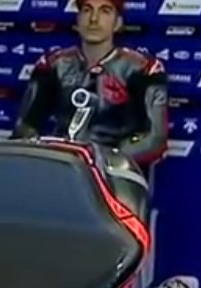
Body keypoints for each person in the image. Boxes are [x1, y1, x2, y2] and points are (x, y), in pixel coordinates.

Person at [12, 0, 169, 169]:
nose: (94, 19)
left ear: (117, 23)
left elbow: (155, 138)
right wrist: (45, 152)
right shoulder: (53, 65)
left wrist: (104, 161)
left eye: (104, 11)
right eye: (87, 10)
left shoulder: (143, 69)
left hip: (115, 173)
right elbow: (24, 126)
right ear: (78, 20)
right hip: (62, 169)